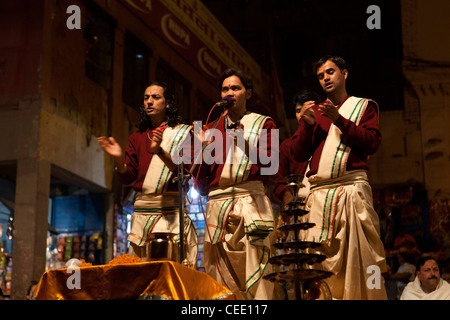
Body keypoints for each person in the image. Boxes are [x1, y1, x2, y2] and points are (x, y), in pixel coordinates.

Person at [290, 55, 387, 299]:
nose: (325, 79)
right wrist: (306, 126)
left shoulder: (364, 106)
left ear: (344, 74)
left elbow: (372, 143)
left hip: (351, 192)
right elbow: (300, 154)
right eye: (321, 76)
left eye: (330, 72)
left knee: (361, 262)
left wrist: (340, 121)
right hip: (319, 199)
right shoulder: (315, 112)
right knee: (319, 267)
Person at [194, 68, 278, 300]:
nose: (229, 93)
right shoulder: (209, 130)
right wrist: (201, 150)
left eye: (235, 88)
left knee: (258, 273)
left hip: (251, 205)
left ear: (248, 93)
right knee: (219, 277)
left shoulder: (264, 124)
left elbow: (272, 167)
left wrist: (244, 143)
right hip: (217, 208)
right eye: (225, 89)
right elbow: (201, 186)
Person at [98, 82, 197, 267]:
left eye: (155, 97)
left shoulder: (184, 133)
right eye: (146, 98)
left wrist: (160, 151)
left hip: (171, 213)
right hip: (141, 215)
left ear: (168, 103)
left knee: (170, 274)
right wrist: (119, 160)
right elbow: (128, 177)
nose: (149, 102)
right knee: (140, 274)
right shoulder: (137, 137)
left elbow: (185, 171)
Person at [273, 90, 321, 214]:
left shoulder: (327, 139)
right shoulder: (287, 145)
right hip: (298, 209)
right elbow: (278, 181)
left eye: (307, 110)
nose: (302, 115)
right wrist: (286, 194)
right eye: (299, 111)